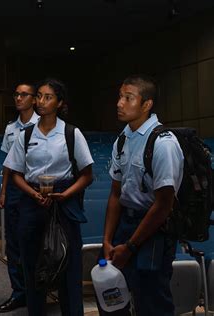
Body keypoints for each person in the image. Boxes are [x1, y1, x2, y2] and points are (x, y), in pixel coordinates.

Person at [4, 78, 93, 315]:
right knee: (32, 266)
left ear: (59, 103)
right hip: (32, 203)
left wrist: (66, 194)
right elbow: (15, 174)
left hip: (64, 201)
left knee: (69, 265)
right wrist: (33, 193)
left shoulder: (71, 133)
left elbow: (86, 175)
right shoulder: (26, 134)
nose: (41, 101)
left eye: (48, 97)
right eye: (39, 96)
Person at [98, 75, 183, 316]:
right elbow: (116, 194)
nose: (119, 103)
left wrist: (131, 247)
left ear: (147, 104)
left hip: (154, 229)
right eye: (119, 97)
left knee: (151, 300)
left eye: (128, 98)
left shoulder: (164, 143)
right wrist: (108, 240)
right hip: (125, 223)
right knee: (112, 297)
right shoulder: (122, 139)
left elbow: (163, 205)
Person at [0, 82, 39, 313]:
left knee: (34, 243)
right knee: (13, 244)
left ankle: (36, 292)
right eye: (16, 94)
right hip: (14, 189)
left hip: (33, 188)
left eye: (24, 95)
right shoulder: (11, 128)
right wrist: (3, 190)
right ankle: (19, 292)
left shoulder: (42, 126)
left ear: (34, 99)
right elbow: (7, 164)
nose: (19, 98)